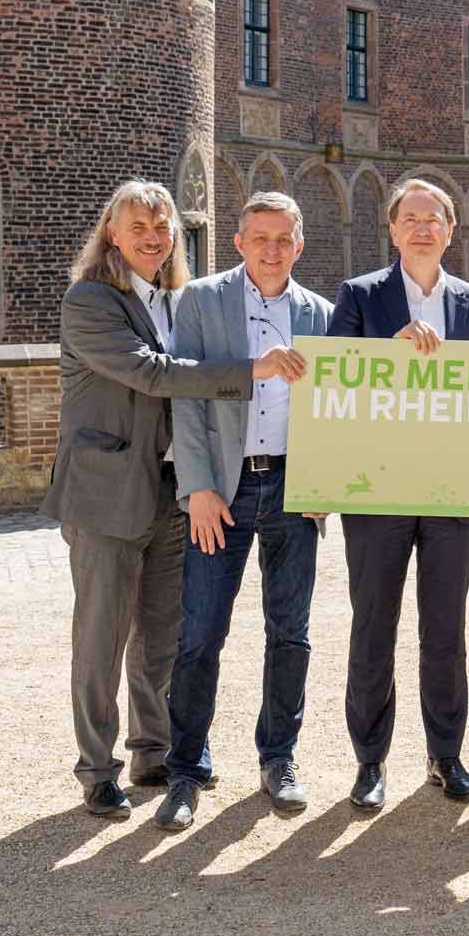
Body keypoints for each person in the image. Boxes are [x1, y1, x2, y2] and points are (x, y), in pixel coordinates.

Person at [41, 180, 305, 818]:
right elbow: (152, 373)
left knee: (162, 633)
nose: (154, 238)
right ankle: (96, 769)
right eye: (139, 228)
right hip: (107, 490)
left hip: (175, 489)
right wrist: (250, 371)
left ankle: (152, 750)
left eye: (163, 229)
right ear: (113, 234)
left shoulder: (177, 299)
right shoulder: (91, 301)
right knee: (101, 636)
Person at [153, 192, 334, 831]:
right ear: (239, 241)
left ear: (300, 245)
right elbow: (188, 393)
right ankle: (185, 768)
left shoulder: (321, 314)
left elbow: (338, 411)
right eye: (261, 237)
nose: (272, 249)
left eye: (284, 239)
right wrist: (197, 486)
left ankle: (278, 758)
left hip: (294, 491)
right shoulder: (201, 300)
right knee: (201, 634)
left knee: (292, 634)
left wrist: (325, 486)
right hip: (221, 493)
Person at [327, 178, 469, 810]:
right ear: (393, 229)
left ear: (450, 231)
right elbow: (334, 386)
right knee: (373, 624)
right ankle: (370, 761)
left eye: (435, 218)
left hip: (454, 490)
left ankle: (446, 755)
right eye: (411, 218)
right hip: (378, 489)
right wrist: (387, 353)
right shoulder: (359, 296)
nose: (423, 227)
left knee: (445, 628)